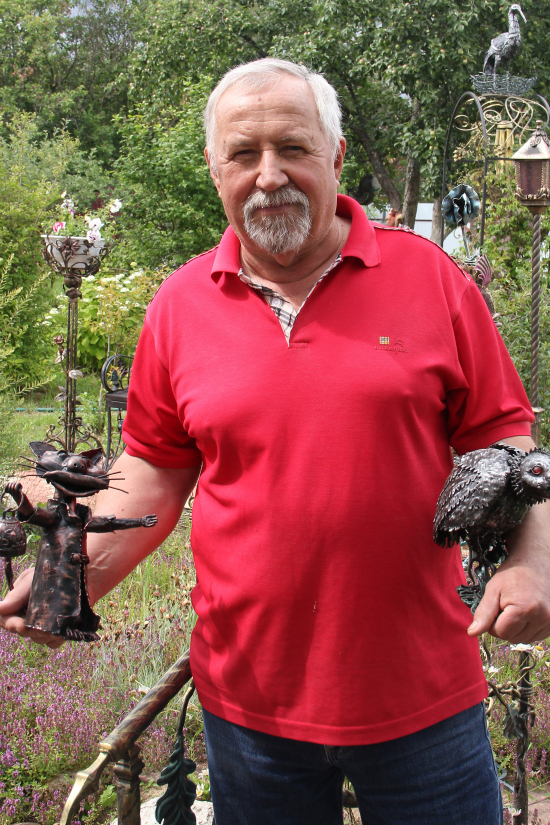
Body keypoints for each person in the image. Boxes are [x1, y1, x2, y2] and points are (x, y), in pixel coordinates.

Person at [2, 58, 550, 825]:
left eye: (293, 148)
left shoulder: (431, 280)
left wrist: (533, 562)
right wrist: (68, 581)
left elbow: (506, 443)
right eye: (243, 153)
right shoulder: (180, 305)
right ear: (214, 167)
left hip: (423, 697)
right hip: (249, 710)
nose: (269, 175)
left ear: (336, 155)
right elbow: (153, 474)